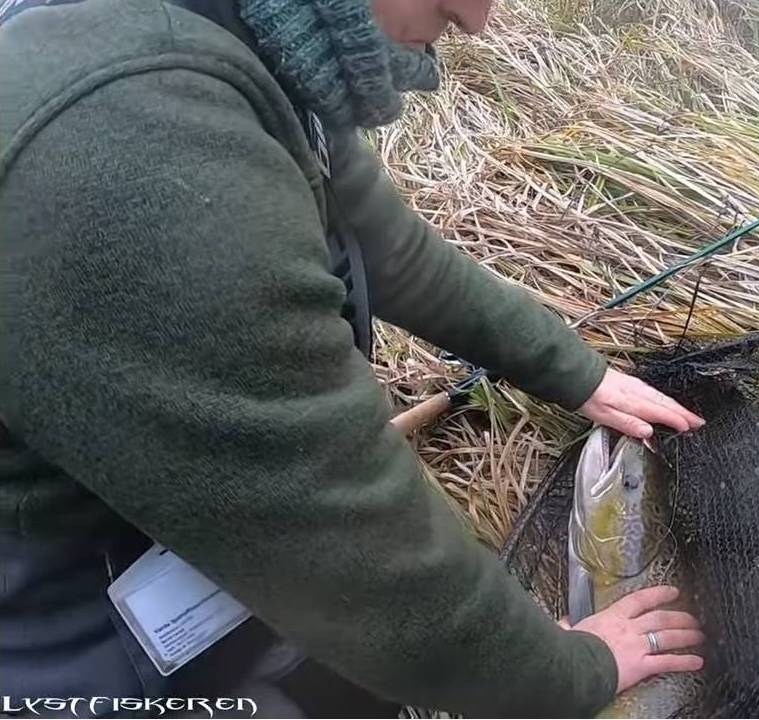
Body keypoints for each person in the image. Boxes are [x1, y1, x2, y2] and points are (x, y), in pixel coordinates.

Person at [0, 0, 707, 715]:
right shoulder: (139, 144)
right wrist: (563, 671)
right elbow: (336, 533)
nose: (476, 20)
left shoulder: (252, 45)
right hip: (56, 625)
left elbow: (383, 244)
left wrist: (572, 370)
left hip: (165, 545)